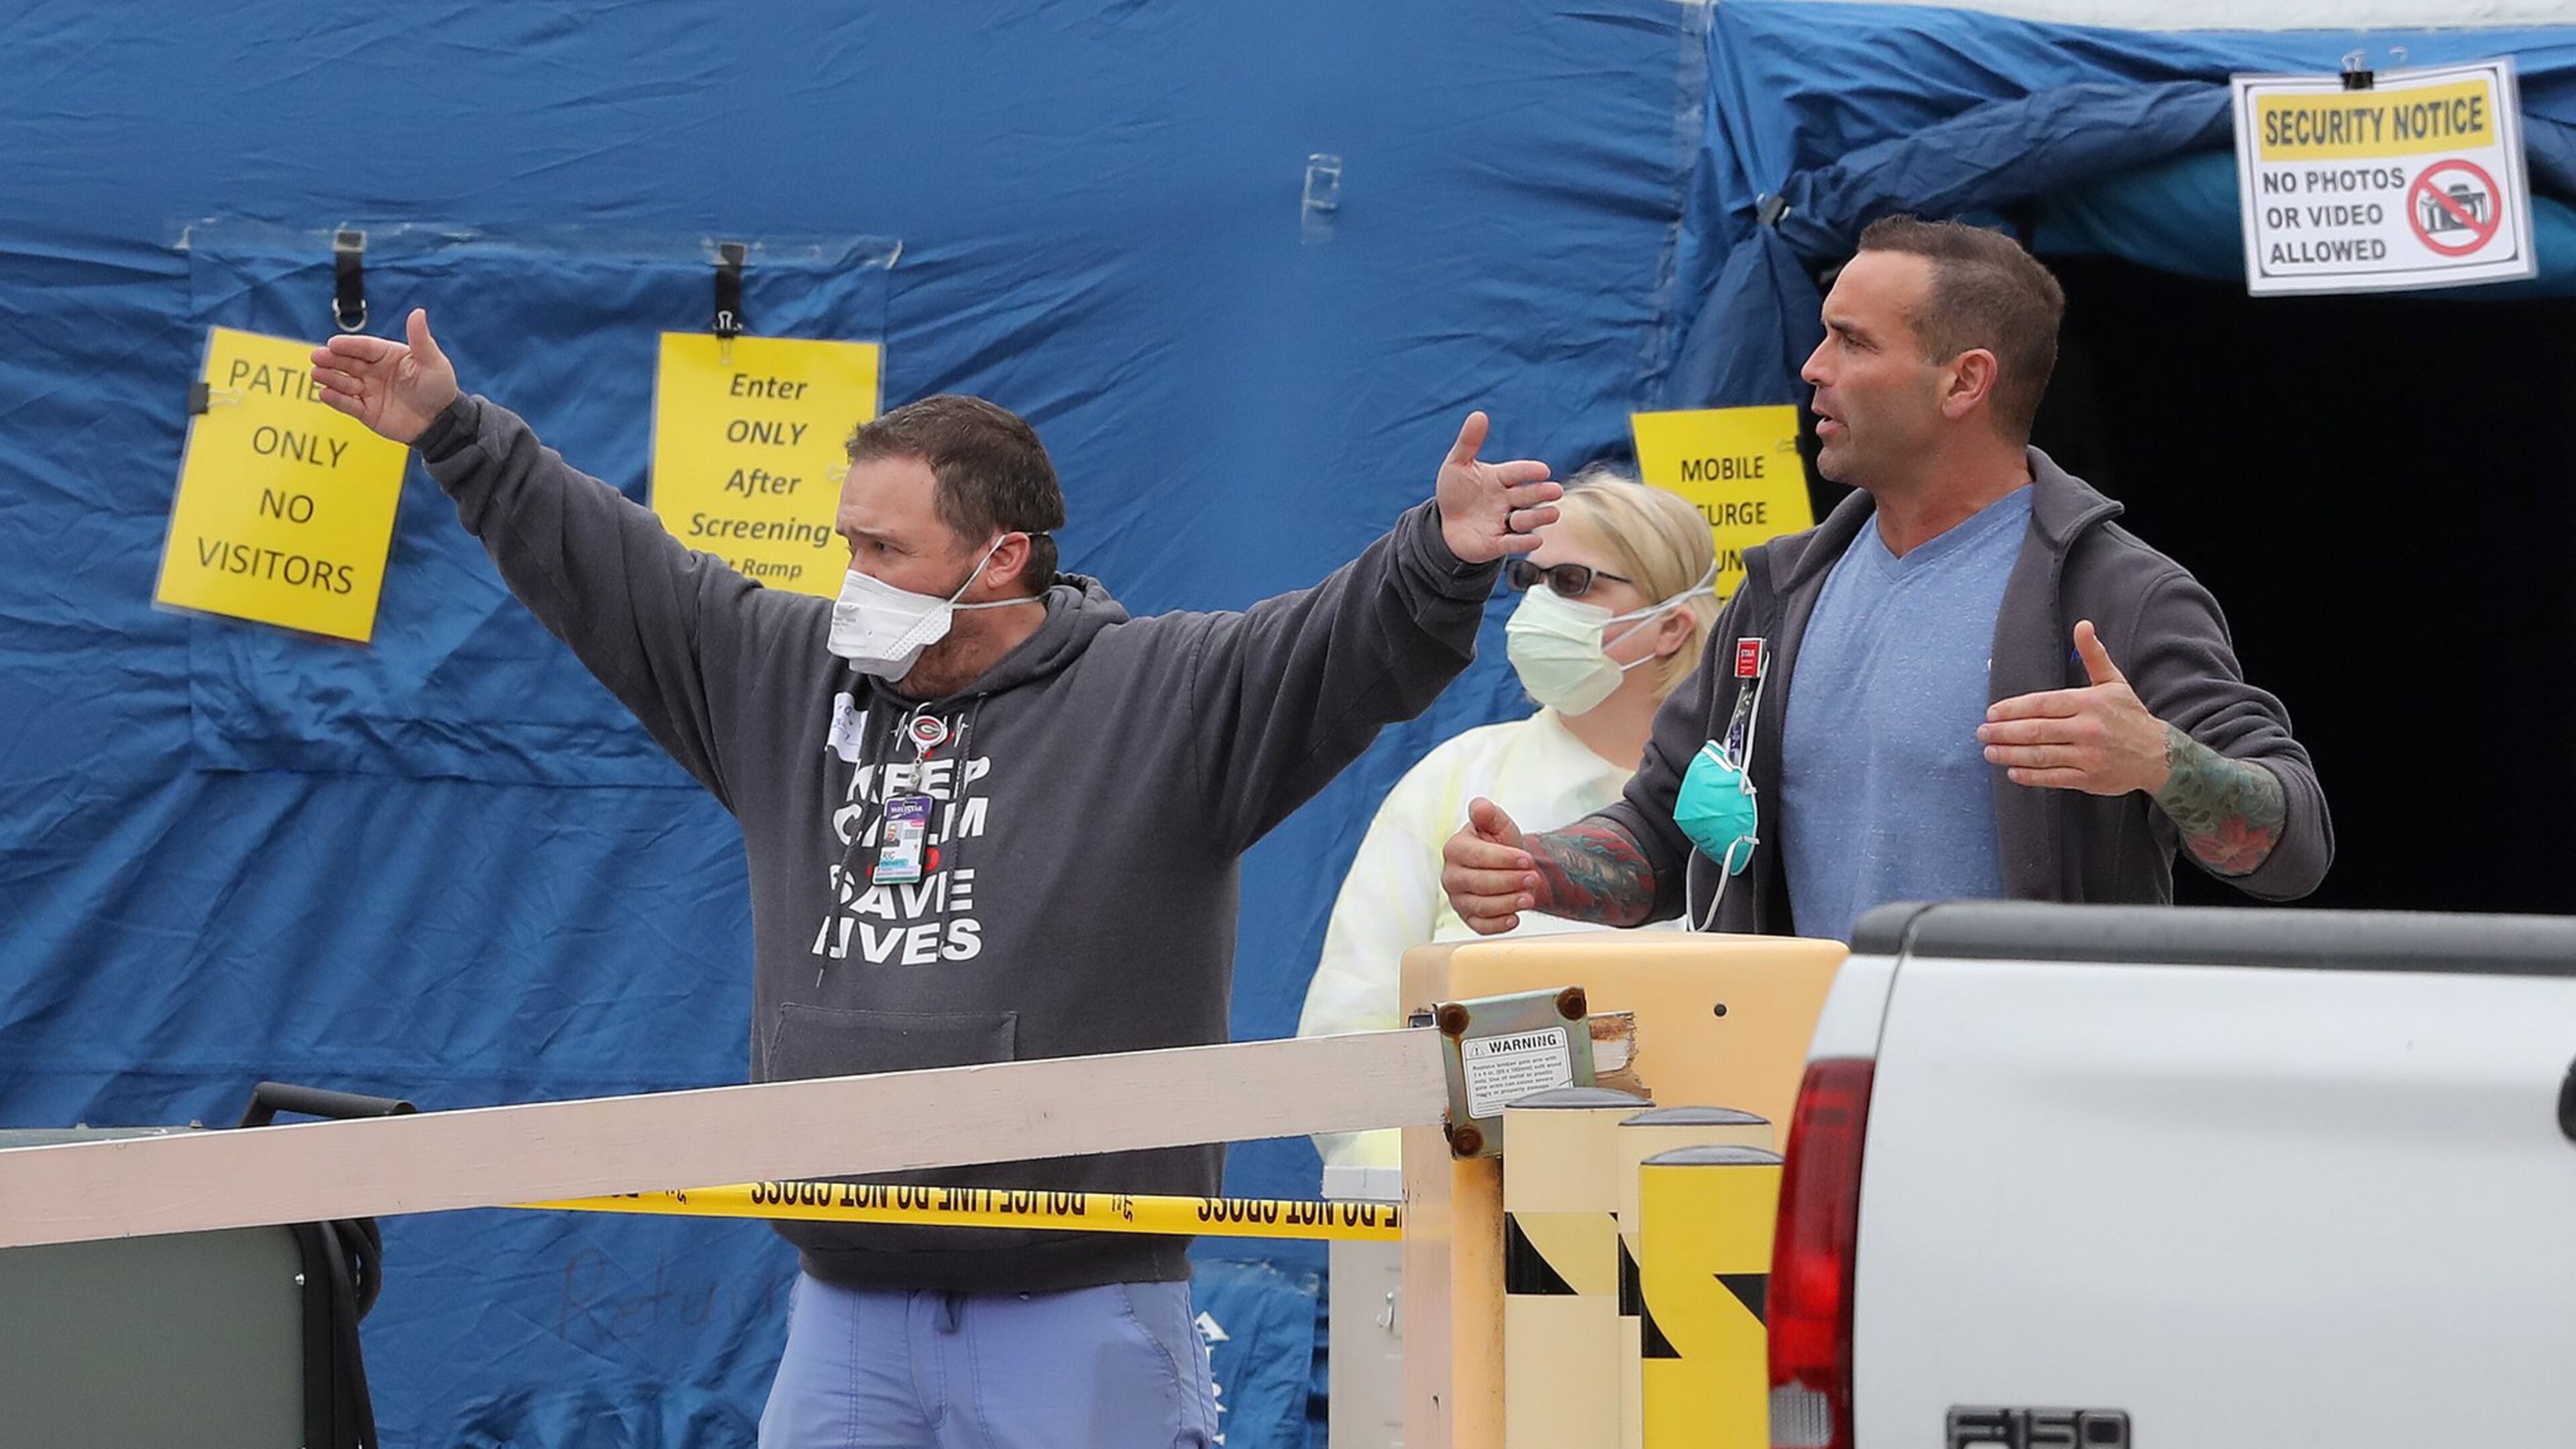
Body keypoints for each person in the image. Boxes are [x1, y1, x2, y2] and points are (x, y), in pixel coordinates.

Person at [311, 311, 1562, 1449]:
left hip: (1079, 1314)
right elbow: (619, 573)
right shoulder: (783, 675)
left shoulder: (1163, 696)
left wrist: (1439, 555)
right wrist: (456, 434)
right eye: (845, 542)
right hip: (843, 1316)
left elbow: (1335, 650)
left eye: (885, 549)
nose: (851, 577)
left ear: (1002, 554)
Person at [1442, 216, 2332, 943]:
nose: (1813, 368)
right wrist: (1533, 866)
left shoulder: (2118, 595)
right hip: (1813, 1108)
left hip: (2033, 1120)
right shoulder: (1779, 596)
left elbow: (2292, 845)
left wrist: (2158, 760)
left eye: (1851, 342)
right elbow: (1665, 835)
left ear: (1964, 383)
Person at [1294, 468, 1719, 1167]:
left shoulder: (1731, 801)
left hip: (1695, 1210)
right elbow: (1345, 1040)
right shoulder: (1458, 783)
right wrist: (1443, 1208)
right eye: (1530, 581)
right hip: (1467, 1226)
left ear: (1671, 626)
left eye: (1573, 583)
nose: (1539, 606)